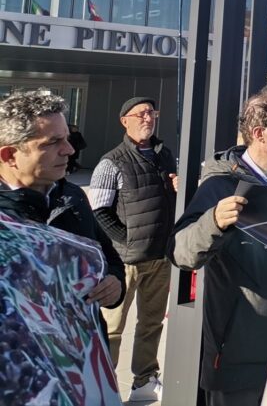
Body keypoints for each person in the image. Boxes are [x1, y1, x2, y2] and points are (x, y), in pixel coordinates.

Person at [167, 86, 267, 406]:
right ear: (259, 133)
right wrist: (213, 221)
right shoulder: (220, 185)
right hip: (236, 352)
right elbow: (180, 251)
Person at [0, 90, 125, 332]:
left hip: (82, 349)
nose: (69, 150)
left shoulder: (72, 196)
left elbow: (108, 257)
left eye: (67, 138)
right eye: (52, 142)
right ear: (10, 155)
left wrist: (114, 283)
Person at [89, 96, 178, 402]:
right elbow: (99, 212)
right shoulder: (111, 161)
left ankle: (144, 381)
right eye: (140, 114)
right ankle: (104, 387)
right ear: (124, 121)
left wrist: (178, 189)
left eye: (152, 113)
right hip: (125, 260)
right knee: (112, 328)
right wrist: (126, 240)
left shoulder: (165, 156)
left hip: (160, 257)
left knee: (151, 324)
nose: (148, 118)